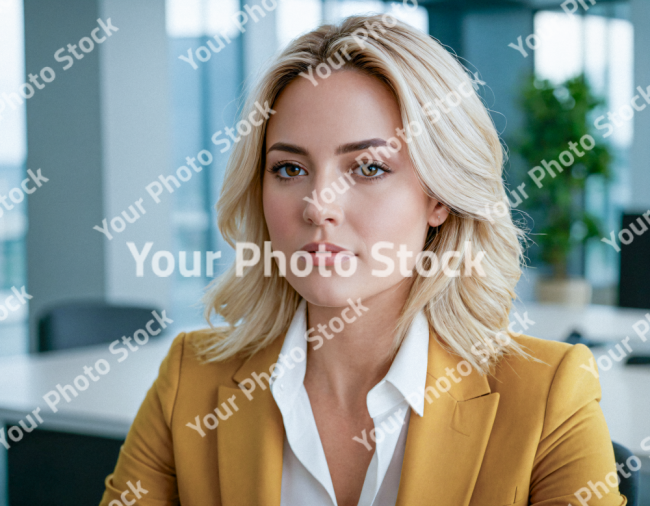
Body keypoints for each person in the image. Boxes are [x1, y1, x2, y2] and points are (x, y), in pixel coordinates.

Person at [100, 14, 625, 506]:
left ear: (439, 197)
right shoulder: (190, 380)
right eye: (288, 169)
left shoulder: (548, 395)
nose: (317, 205)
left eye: (369, 168)